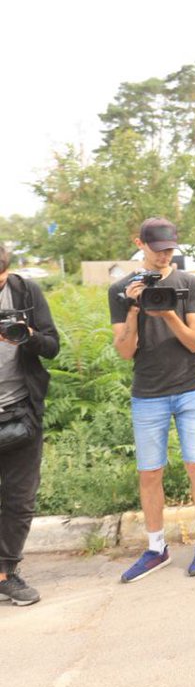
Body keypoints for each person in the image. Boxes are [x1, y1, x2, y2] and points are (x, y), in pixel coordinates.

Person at [109, 218, 195, 582]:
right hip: (148, 392)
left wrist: (167, 312)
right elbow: (125, 352)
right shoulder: (121, 289)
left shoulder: (189, 284)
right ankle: (156, 547)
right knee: (150, 471)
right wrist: (135, 308)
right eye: (157, 250)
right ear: (140, 243)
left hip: (189, 388)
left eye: (170, 249)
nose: (164, 256)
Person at [0, 248, 60, 606]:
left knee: (20, 499)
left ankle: (6, 572)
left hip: (22, 410)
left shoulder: (26, 292)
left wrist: (27, 336)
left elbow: (52, 346)